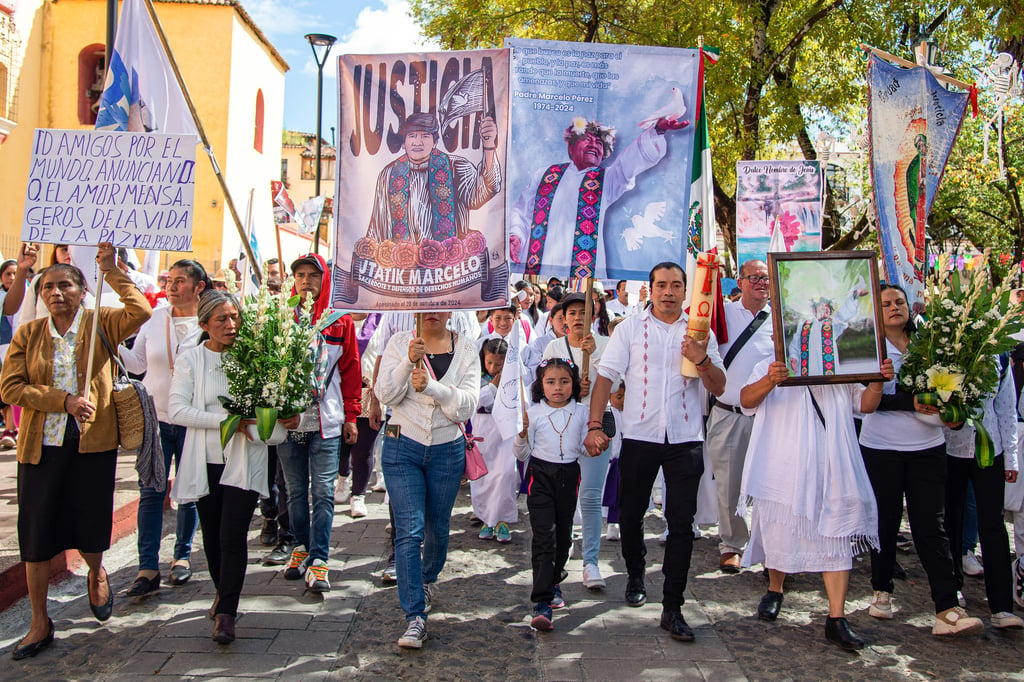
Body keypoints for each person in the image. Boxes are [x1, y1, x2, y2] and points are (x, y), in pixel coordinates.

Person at [1, 242, 151, 660]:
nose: (55, 293)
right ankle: (38, 620)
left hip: (93, 442)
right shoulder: (28, 334)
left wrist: (113, 269)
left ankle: (96, 569)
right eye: (47, 288)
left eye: (65, 285)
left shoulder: (99, 322)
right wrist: (61, 400)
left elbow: (139, 310)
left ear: (82, 290)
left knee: (90, 519)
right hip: (40, 447)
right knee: (36, 534)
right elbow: (9, 387)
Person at [583, 262, 726, 642]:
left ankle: (673, 606)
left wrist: (701, 358)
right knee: (630, 515)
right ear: (651, 289)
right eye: (661, 285)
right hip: (640, 437)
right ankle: (634, 571)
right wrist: (595, 425)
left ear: (684, 291)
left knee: (681, 523)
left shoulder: (700, 331)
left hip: (685, 440)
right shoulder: (630, 328)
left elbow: (720, 386)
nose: (668, 292)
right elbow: (605, 379)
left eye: (676, 286)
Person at [168, 291, 299, 645]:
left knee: (232, 536)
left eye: (235, 317)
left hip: (243, 461)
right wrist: (229, 422)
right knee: (211, 536)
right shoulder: (192, 360)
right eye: (221, 320)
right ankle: (222, 591)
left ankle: (227, 611)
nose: (231, 325)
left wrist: (284, 418)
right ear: (204, 325)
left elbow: (270, 414)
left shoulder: (254, 360)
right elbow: (177, 410)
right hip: (205, 460)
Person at [738, 357, 893, 650]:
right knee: (780, 532)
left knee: (836, 539)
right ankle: (775, 589)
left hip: (832, 465)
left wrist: (877, 379)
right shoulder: (770, 364)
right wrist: (771, 379)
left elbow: (865, 405)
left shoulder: (836, 365)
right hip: (784, 466)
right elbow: (746, 401)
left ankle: (837, 618)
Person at [859, 284, 985, 635]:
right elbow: (860, 402)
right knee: (883, 523)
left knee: (932, 527)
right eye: (885, 303)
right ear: (875, 310)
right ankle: (881, 590)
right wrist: (909, 403)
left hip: (928, 447)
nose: (894, 307)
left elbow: (952, 390)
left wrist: (955, 413)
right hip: (880, 447)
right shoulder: (867, 346)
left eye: (899, 301)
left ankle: (947, 607)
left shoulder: (932, 343)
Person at [374, 310, 480, 649]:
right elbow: (385, 394)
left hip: (447, 452)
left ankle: (426, 577)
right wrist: (407, 363)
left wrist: (433, 387)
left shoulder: (466, 349)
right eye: (425, 306)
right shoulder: (399, 342)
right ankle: (415, 616)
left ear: (451, 309)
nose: (432, 313)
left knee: (438, 528)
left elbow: (465, 407)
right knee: (410, 530)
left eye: (439, 305)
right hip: (401, 446)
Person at [118, 259, 210, 597]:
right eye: (169, 280)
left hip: (192, 420)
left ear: (199, 286)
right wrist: (110, 343)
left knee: (188, 492)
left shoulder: (210, 322)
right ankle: (147, 567)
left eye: (181, 280)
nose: (172, 286)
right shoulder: (155, 318)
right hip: (155, 419)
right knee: (151, 492)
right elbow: (138, 363)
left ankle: (182, 556)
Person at [509, 116, 688, 279]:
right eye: (587, 139)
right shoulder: (546, 174)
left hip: (581, 277)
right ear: (571, 147)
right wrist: (516, 235)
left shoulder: (607, 180)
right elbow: (522, 211)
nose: (594, 145)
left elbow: (629, 162)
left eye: (600, 144)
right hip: (538, 268)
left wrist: (658, 131)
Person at [279, 254, 361, 593]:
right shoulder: (280, 318)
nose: (306, 281)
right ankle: (300, 548)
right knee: (295, 491)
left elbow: (351, 371)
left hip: (327, 421)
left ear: (324, 278)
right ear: (292, 280)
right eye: (300, 274)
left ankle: (320, 559)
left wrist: (352, 415)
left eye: (314, 275)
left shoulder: (339, 321)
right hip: (288, 423)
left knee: (323, 493)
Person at [944, 352, 1024, 630]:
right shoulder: (947, 345)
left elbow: (1006, 409)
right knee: (951, 521)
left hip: (990, 449)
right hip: (950, 448)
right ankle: (951, 591)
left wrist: (1011, 458)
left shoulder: (999, 356)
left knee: (992, 524)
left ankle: (1001, 606)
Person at [704, 260, 774, 573]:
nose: (761, 282)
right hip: (729, 413)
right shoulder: (724, 314)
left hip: (771, 416)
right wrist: (709, 270)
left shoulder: (781, 319)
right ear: (741, 281)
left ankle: (772, 544)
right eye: (754, 277)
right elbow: (699, 303)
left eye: (766, 278)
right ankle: (731, 544)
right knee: (729, 485)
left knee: (772, 484)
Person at [514, 359, 590, 630]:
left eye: (564, 381)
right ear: (540, 386)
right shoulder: (533, 413)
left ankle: (555, 578)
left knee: (564, 536)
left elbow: (584, 447)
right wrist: (521, 434)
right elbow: (521, 454)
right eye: (550, 382)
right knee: (544, 537)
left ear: (574, 384)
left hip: (569, 476)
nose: (557, 387)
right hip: (540, 476)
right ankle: (542, 601)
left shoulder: (582, 412)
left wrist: (594, 441)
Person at [543, 292, 611, 590]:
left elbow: (615, 385)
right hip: (563, 425)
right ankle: (564, 545)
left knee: (591, 496)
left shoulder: (607, 345)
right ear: (564, 319)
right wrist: (572, 389)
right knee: (563, 493)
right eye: (571, 313)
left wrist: (594, 357)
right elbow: (546, 385)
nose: (577, 318)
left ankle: (591, 561)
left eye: (583, 312)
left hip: (597, 423)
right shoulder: (554, 346)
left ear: (593, 316)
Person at [365, 112, 501, 243]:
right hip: (401, 262)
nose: (418, 142)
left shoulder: (456, 166)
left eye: (425, 136)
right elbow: (379, 226)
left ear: (435, 142)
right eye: (412, 136)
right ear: (403, 142)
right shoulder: (388, 174)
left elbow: (483, 193)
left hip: (450, 261)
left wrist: (489, 146)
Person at [472, 338, 519, 542]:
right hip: (483, 429)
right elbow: (475, 401)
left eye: (498, 364)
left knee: (505, 474)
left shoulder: (514, 377)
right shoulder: (477, 377)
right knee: (484, 477)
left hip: (505, 431)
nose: (492, 367)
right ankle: (486, 519)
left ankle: (502, 521)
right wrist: (492, 387)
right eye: (489, 362)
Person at [340, 311, 382, 518]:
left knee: (363, 448)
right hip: (341, 391)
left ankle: (358, 495)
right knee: (341, 443)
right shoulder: (336, 319)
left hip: (369, 392)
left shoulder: (381, 321)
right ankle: (341, 478)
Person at [786, 281, 869, 376]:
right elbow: (795, 345)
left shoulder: (834, 324)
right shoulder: (804, 325)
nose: (825, 309)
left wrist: (854, 296)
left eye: (827, 308)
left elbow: (844, 315)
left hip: (828, 373)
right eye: (822, 307)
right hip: (807, 373)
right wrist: (794, 357)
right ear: (814, 310)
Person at [0, 249, 36, 449]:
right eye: (8, 274)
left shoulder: (13, 295)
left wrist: (22, 271)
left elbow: (10, 307)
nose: (11, 278)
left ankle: (18, 430)